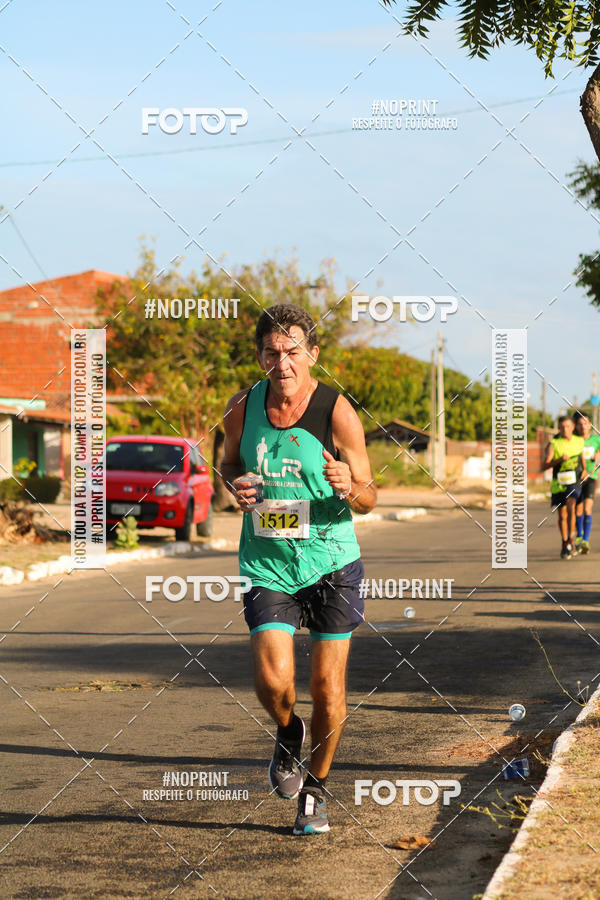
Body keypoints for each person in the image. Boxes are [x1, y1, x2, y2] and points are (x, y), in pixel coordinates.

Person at [221, 303, 377, 835]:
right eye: (272, 352)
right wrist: (235, 484)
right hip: (267, 562)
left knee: (328, 687)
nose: (282, 363)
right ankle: (289, 731)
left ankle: (316, 789)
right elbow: (228, 462)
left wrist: (350, 486)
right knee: (273, 681)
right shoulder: (242, 406)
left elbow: (370, 497)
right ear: (260, 356)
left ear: (312, 353)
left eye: (292, 351)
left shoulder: (337, 411)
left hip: (332, 562)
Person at [542, 415, 585, 559]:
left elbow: (582, 458)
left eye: (567, 426)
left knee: (572, 507)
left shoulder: (579, 441)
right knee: (562, 515)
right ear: (559, 429)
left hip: (574, 481)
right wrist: (559, 460)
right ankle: (565, 541)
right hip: (559, 484)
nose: (565, 429)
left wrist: (585, 470)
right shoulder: (554, 444)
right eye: (562, 427)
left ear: (572, 427)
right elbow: (545, 465)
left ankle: (571, 539)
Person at [573, 412, 600, 553]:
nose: (583, 426)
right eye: (580, 424)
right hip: (576, 478)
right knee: (578, 510)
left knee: (588, 508)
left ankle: (585, 541)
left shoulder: (597, 439)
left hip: (591, 477)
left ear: (590, 425)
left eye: (585, 423)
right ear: (576, 426)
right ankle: (579, 535)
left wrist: (598, 458)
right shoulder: (573, 440)